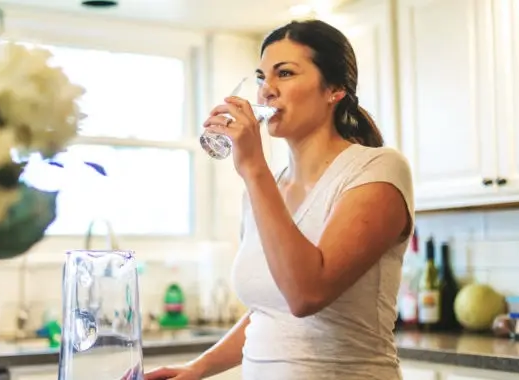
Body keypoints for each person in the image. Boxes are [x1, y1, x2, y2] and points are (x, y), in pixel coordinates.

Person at [144, 19, 414, 380]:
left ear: (334, 89)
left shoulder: (377, 168)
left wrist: (254, 169)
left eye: (284, 74)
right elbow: (270, 313)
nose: (266, 90)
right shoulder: (266, 189)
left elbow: (306, 294)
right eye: (261, 77)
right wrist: (198, 368)